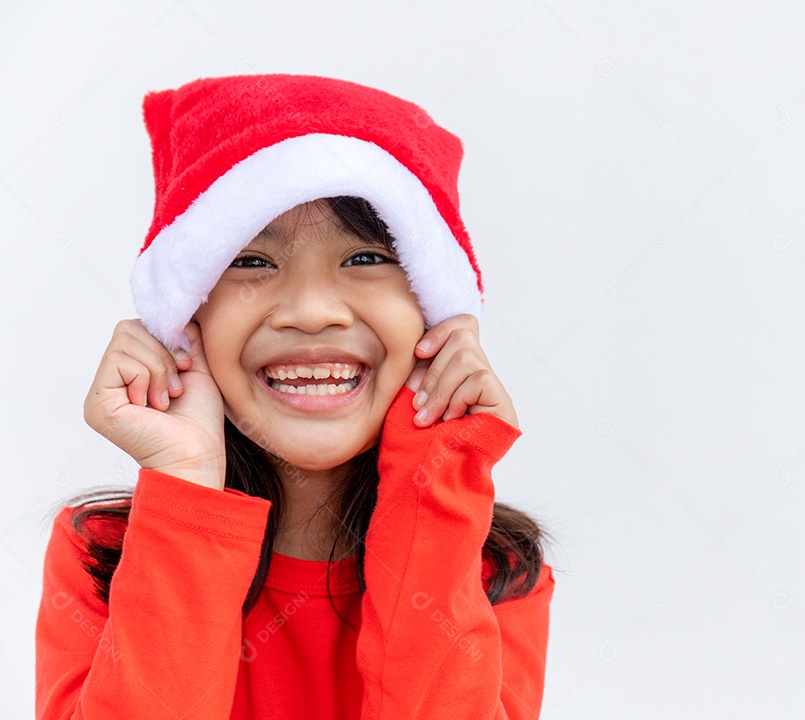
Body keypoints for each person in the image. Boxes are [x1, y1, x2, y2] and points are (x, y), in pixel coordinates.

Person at [35, 73, 555, 719]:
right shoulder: (105, 551)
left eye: (365, 258)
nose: (311, 312)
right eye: (251, 261)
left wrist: (434, 489)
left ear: (436, 312)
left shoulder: (491, 568)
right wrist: (187, 490)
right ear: (182, 318)